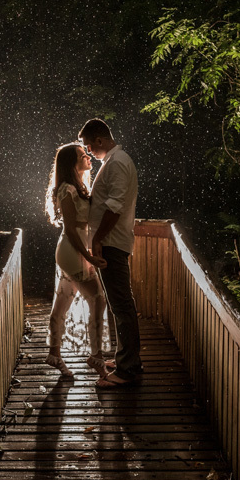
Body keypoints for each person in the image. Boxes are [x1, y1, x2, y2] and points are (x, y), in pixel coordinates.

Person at [80, 118, 141, 387]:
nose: (89, 150)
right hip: (112, 242)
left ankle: (128, 370)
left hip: (112, 243)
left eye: (89, 145)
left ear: (101, 140)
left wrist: (99, 240)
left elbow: (115, 208)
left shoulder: (117, 163)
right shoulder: (114, 162)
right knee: (120, 305)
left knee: (121, 305)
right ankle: (126, 359)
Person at [44, 142, 109, 379]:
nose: (89, 157)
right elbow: (71, 229)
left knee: (62, 303)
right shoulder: (67, 189)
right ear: (73, 163)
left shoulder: (80, 186)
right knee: (98, 299)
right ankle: (96, 356)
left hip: (77, 250)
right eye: (83, 156)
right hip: (72, 250)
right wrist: (88, 255)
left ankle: (54, 354)